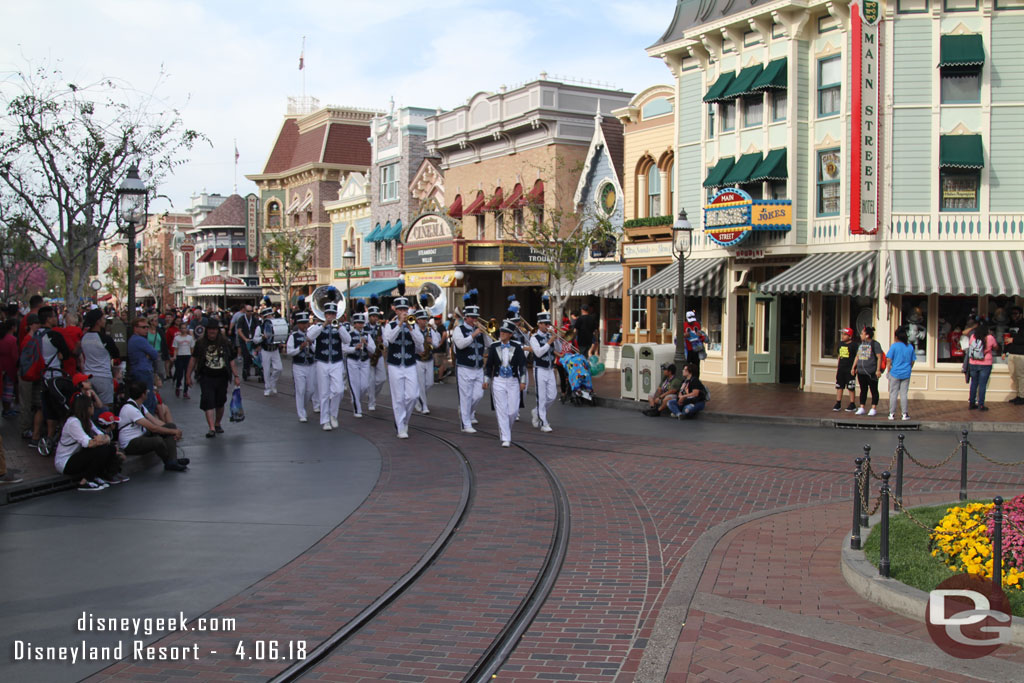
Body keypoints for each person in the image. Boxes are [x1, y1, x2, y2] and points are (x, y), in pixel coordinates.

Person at [54, 393, 122, 491]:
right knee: (100, 450)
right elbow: (88, 443)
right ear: (86, 407)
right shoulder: (73, 422)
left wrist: (103, 439)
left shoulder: (87, 421)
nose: (93, 407)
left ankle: (98, 476)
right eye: (91, 405)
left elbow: (102, 435)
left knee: (110, 448)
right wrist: (101, 440)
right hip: (65, 462)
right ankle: (85, 481)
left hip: (78, 456)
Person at [186, 318, 241, 438]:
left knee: (220, 402)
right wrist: (188, 375)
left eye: (214, 329)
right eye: (210, 329)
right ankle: (211, 427)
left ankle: (217, 423)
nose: (212, 331)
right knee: (208, 400)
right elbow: (193, 359)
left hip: (222, 376)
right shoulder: (201, 343)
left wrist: (236, 376)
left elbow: (231, 361)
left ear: (217, 330)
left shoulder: (225, 342)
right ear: (207, 330)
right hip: (206, 376)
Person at [117, 380, 188, 471]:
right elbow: (152, 428)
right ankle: (169, 462)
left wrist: (173, 430)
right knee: (157, 441)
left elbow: (154, 421)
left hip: (141, 435)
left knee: (170, 426)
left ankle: (173, 460)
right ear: (143, 395)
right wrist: (173, 432)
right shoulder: (130, 409)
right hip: (131, 442)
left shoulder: (140, 406)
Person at [483, 319, 528, 447]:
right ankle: (506, 437)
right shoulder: (494, 346)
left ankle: (505, 431)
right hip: (498, 381)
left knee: (513, 411)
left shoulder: (518, 347)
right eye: (501, 330)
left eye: (505, 332)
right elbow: (489, 366)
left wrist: (523, 381)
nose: (502, 333)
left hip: (513, 381)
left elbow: (522, 365)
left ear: (510, 334)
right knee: (502, 409)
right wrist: (486, 380)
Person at [307, 298, 350, 431]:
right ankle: (325, 420)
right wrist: (324, 324)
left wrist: (339, 327)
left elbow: (347, 340)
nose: (330, 316)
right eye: (328, 314)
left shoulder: (340, 327)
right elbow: (309, 337)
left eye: (333, 314)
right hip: (322, 362)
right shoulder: (317, 327)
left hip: (336, 361)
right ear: (324, 315)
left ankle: (333, 415)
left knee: (338, 390)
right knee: (324, 392)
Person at [452, 289, 491, 433]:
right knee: (466, 396)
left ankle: (466, 413)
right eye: (473, 317)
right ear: (466, 317)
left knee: (478, 395)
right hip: (464, 367)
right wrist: (474, 335)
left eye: (477, 317)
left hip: (478, 367)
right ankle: (465, 424)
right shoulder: (459, 329)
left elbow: (489, 344)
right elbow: (460, 344)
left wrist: (485, 332)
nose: (475, 319)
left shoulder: (480, 330)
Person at [384, 287, 419, 439]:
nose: (404, 312)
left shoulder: (413, 324)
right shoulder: (390, 325)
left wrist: (410, 327)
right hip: (395, 365)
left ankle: (404, 421)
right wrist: (399, 324)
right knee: (398, 398)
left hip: (410, 364)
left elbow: (420, 342)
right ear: (396, 311)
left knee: (412, 396)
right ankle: (400, 427)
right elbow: (389, 340)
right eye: (401, 309)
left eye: (406, 309)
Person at [529, 311, 564, 433]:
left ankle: (537, 411)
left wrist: (557, 339)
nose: (547, 326)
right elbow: (538, 353)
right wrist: (549, 342)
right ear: (539, 324)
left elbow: (559, 350)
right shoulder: (534, 338)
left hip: (550, 369)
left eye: (548, 324)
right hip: (539, 369)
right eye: (545, 324)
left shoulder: (550, 336)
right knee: (542, 397)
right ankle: (544, 422)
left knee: (553, 395)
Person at [80, 309, 120, 407]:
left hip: (88, 375)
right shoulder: (105, 339)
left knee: (90, 405)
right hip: (103, 376)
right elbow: (116, 354)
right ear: (98, 321)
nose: (105, 321)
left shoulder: (84, 337)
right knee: (106, 407)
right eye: (103, 318)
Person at [344, 302, 376, 419]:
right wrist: (354, 348)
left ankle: (356, 399)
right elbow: (344, 349)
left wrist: (366, 344)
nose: (360, 325)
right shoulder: (350, 334)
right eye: (358, 323)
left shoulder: (367, 335)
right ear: (354, 324)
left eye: (362, 323)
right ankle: (357, 408)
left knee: (365, 386)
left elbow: (373, 349)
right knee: (354, 384)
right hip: (352, 361)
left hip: (365, 361)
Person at [286, 311, 318, 422]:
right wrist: (300, 348)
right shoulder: (293, 336)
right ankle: (301, 413)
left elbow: (316, 351)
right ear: (298, 324)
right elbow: (289, 352)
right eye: (303, 323)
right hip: (298, 365)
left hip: (311, 365)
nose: (305, 325)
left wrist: (311, 344)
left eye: (306, 323)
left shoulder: (312, 335)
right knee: (300, 389)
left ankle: (303, 407)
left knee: (311, 390)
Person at [126, 317, 160, 413]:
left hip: (140, 370)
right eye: (144, 327)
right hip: (143, 371)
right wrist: (148, 355)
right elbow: (154, 353)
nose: (146, 329)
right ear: (135, 328)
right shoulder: (139, 340)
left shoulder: (135, 339)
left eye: (147, 327)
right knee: (148, 400)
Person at [411, 308, 440, 415]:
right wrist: (417, 351)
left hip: (429, 358)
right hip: (418, 359)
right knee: (421, 383)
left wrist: (431, 341)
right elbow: (411, 344)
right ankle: (424, 406)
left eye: (425, 319)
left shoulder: (430, 330)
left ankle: (418, 397)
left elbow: (437, 344)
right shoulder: (413, 329)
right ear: (417, 320)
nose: (424, 321)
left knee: (430, 383)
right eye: (422, 319)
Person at [851, 326, 884, 416]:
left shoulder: (875, 344)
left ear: (867, 335)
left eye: (862, 333)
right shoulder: (861, 344)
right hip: (861, 372)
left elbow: (879, 357)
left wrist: (878, 370)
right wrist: (853, 367)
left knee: (873, 390)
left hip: (871, 371)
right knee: (863, 390)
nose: (861, 335)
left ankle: (873, 408)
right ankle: (862, 407)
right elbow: (857, 357)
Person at [966, 321, 998, 411]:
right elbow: (996, 347)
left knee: (974, 383)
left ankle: (972, 403)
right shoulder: (990, 338)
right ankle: (981, 405)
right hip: (985, 364)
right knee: (982, 385)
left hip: (973, 363)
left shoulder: (973, 337)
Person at [886, 327, 916, 421]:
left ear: (896, 336)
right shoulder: (910, 347)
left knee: (893, 393)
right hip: (906, 372)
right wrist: (909, 368)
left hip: (895, 372)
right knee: (904, 394)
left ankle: (892, 414)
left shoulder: (894, 346)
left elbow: (889, 359)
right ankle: (904, 414)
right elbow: (912, 361)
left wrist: (888, 370)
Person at [253, 307, 283, 396]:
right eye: (267, 316)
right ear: (263, 317)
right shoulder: (260, 327)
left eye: (271, 315)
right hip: (265, 350)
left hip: (275, 349)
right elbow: (255, 340)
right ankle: (267, 388)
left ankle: (272, 382)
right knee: (266, 370)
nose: (270, 317)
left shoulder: (276, 325)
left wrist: (281, 341)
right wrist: (262, 338)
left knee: (279, 368)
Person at [365, 297, 386, 412]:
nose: (375, 318)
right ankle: (371, 402)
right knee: (371, 380)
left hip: (379, 355)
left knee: (382, 379)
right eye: (373, 316)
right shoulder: (364, 328)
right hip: (368, 356)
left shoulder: (381, 328)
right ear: (369, 317)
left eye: (376, 316)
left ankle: (373, 395)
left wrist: (382, 340)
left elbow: (386, 342)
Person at [833, 327, 857, 412]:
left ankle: (852, 403)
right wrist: (838, 366)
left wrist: (854, 368)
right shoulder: (840, 344)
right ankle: (838, 402)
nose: (842, 336)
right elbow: (839, 355)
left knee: (850, 386)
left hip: (849, 369)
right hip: (841, 368)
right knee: (839, 385)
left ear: (850, 336)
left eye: (845, 334)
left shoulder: (854, 345)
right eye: (842, 334)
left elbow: (856, 357)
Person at [234, 304, 260, 381]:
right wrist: (245, 338)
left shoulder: (255, 319)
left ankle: (258, 370)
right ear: (245, 311)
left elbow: (258, 328)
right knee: (246, 356)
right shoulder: (241, 319)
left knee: (255, 356)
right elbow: (239, 330)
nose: (250, 313)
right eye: (248, 311)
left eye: (251, 311)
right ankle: (246, 371)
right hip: (244, 341)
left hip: (253, 340)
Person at [1004, 306, 1024, 406]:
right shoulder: (1011, 325)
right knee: (1014, 375)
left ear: (1021, 314)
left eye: (1016, 313)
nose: (1014, 316)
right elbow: (1007, 339)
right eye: (1012, 314)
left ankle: (1022, 396)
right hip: (1011, 352)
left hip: (1020, 353)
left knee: (1021, 376)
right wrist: (1004, 351)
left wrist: (1014, 340)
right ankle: (1018, 394)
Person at [682, 311, 710, 379]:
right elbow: (677, 337)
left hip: (696, 349)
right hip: (687, 350)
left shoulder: (697, 324)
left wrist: (700, 335)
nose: (691, 322)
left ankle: (696, 380)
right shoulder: (683, 325)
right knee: (686, 367)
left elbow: (703, 337)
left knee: (696, 367)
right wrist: (684, 335)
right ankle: (686, 381)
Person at [0, 320, 19, 417]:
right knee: (8, 389)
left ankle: (6, 409)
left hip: (2, 367)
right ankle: (7, 410)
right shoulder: (12, 340)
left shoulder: (2, 338)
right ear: (12, 327)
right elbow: (15, 357)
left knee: (4, 389)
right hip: (10, 367)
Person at [171, 323, 195, 399]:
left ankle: (185, 391)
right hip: (180, 356)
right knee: (179, 373)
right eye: (182, 328)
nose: (183, 329)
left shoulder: (190, 338)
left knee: (187, 374)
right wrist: (174, 356)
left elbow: (192, 348)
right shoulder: (177, 338)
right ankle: (178, 386)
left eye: (185, 328)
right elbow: (176, 348)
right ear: (180, 329)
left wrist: (192, 357)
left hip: (187, 356)